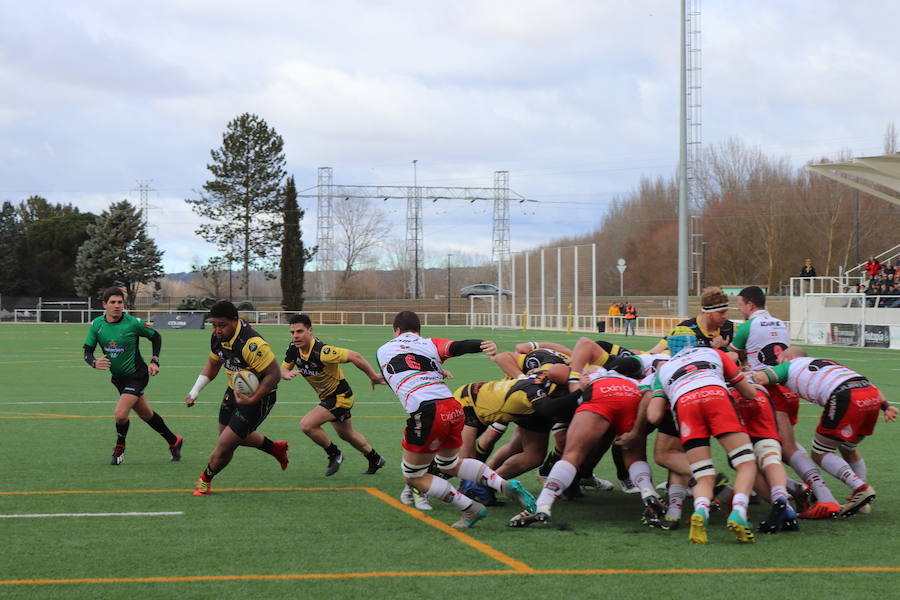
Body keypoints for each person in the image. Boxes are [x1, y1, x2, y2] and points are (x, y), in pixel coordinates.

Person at [376, 310, 536, 528]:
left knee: (414, 477)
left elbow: (398, 372)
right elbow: (457, 347)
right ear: (418, 330)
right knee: (449, 463)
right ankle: (502, 484)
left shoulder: (383, 349)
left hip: (427, 411)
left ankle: (470, 508)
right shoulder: (430, 344)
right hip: (453, 407)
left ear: (396, 330)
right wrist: (482, 344)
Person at [509, 363, 665, 529]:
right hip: (633, 396)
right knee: (635, 457)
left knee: (572, 455)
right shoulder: (642, 376)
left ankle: (543, 506)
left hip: (600, 392)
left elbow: (567, 376)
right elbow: (648, 394)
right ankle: (647, 490)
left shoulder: (592, 371)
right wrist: (636, 431)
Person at [729, 285, 839, 518]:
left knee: (762, 450)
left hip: (766, 392)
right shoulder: (780, 323)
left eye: (740, 305)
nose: (739, 310)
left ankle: (815, 493)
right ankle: (798, 489)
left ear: (750, 305)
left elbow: (732, 358)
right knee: (782, 444)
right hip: (788, 386)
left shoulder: (746, 327)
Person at [753, 347, 897, 516]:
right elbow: (867, 382)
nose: (776, 363)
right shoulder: (829, 363)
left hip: (845, 396)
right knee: (848, 448)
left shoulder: (788, 365)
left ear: (788, 357)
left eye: (779, 360)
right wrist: (886, 406)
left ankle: (860, 487)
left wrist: (741, 375)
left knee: (820, 452)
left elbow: (760, 377)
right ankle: (862, 501)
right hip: (870, 395)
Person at [648, 327, 759, 544]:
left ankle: (701, 512)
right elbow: (749, 392)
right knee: (745, 463)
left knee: (703, 474)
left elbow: (653, 416)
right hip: (715, 395)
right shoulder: (713, 353)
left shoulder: (665, 368)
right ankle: (739, 512)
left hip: (685, 405)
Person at [185, 301, 289, 496]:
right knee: (230, 437)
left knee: (224, 445)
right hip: (234, 391)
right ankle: (275, 448)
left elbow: (274, 374)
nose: (217, 330)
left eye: (221, 325)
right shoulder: (217, 337)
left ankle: (205, 479)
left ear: (235, 321)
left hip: (259, 397)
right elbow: (213, 364)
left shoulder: (251, 344)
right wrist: (195, 391)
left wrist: (253, 399)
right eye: (214, 325)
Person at [83, 286, 183, 465]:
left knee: (121, 414)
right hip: (118, 379)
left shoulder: (133, 323)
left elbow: (156, 336)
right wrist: (93, 362)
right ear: (104, 305)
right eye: (112, 302)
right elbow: (87, 352)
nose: (117, 306)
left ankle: (120, 446)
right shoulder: (97, 325)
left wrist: (155, 361)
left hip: (137, 374)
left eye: (120, 302)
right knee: (146, 414)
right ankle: (174, 441)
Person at [280, 315, 387, 477]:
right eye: (292, 332)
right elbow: (283, 368)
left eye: (300, 331)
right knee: (347, 434)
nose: (295, 336)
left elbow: (355, 356)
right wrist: (285, 374)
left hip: (340, 397)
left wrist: (373, 376)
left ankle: (334, 454)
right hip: (328, 398)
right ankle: (375, 459)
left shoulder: (323, 352)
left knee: (307, 425)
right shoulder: (293, 349)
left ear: (310, 331)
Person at [648, 286, 734, 354]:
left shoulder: (731, 328)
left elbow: (740, 361)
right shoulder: (685, 329)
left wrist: (723, 350)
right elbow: (654, 353)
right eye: (721, 312)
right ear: (707, 312)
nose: (725, 316)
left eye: (726, 312)